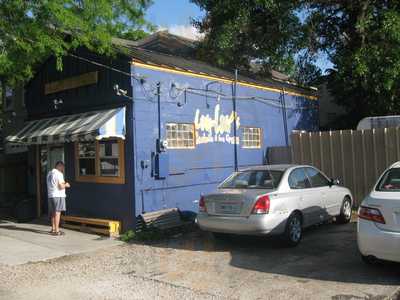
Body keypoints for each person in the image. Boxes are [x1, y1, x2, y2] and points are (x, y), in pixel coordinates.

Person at [46, 161, 70, 236]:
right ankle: (57, 230)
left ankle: (53, 229)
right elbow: (60, 186)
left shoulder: (49, 174)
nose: (63, 169)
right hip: (58, 195)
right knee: (57, 213)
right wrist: (66, 185)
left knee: (53, 212)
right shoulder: (59, 174)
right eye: (62, 167)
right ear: (59, 166)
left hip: (50, 195)